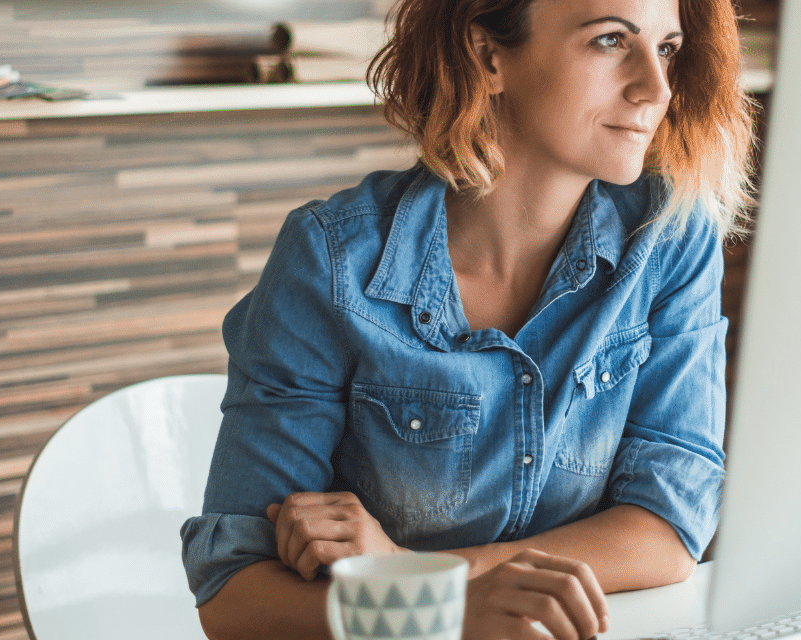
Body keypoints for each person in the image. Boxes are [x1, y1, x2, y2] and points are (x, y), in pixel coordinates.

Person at [179, 0, 754, 637]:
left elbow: (669, 528)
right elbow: (233, 594)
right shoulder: (332, 261)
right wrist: (442, 616)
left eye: (667, 48)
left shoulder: (671, 238)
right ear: (488, 56)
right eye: (611, 41)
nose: (656, 86)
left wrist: (420, 575)